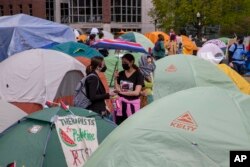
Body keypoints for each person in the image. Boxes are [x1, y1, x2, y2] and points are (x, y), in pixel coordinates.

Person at [114, 53, 144, 125]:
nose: (123, 64)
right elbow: (117, 88)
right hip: (120, 104)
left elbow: (136, 92)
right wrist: (115, 78)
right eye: (122, 63)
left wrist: (121, 93)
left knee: (130, 124)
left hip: (132, 105)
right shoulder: (121, 73)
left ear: (131, 62)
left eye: (125, 63)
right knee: (118, 124)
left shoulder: (138, 75)